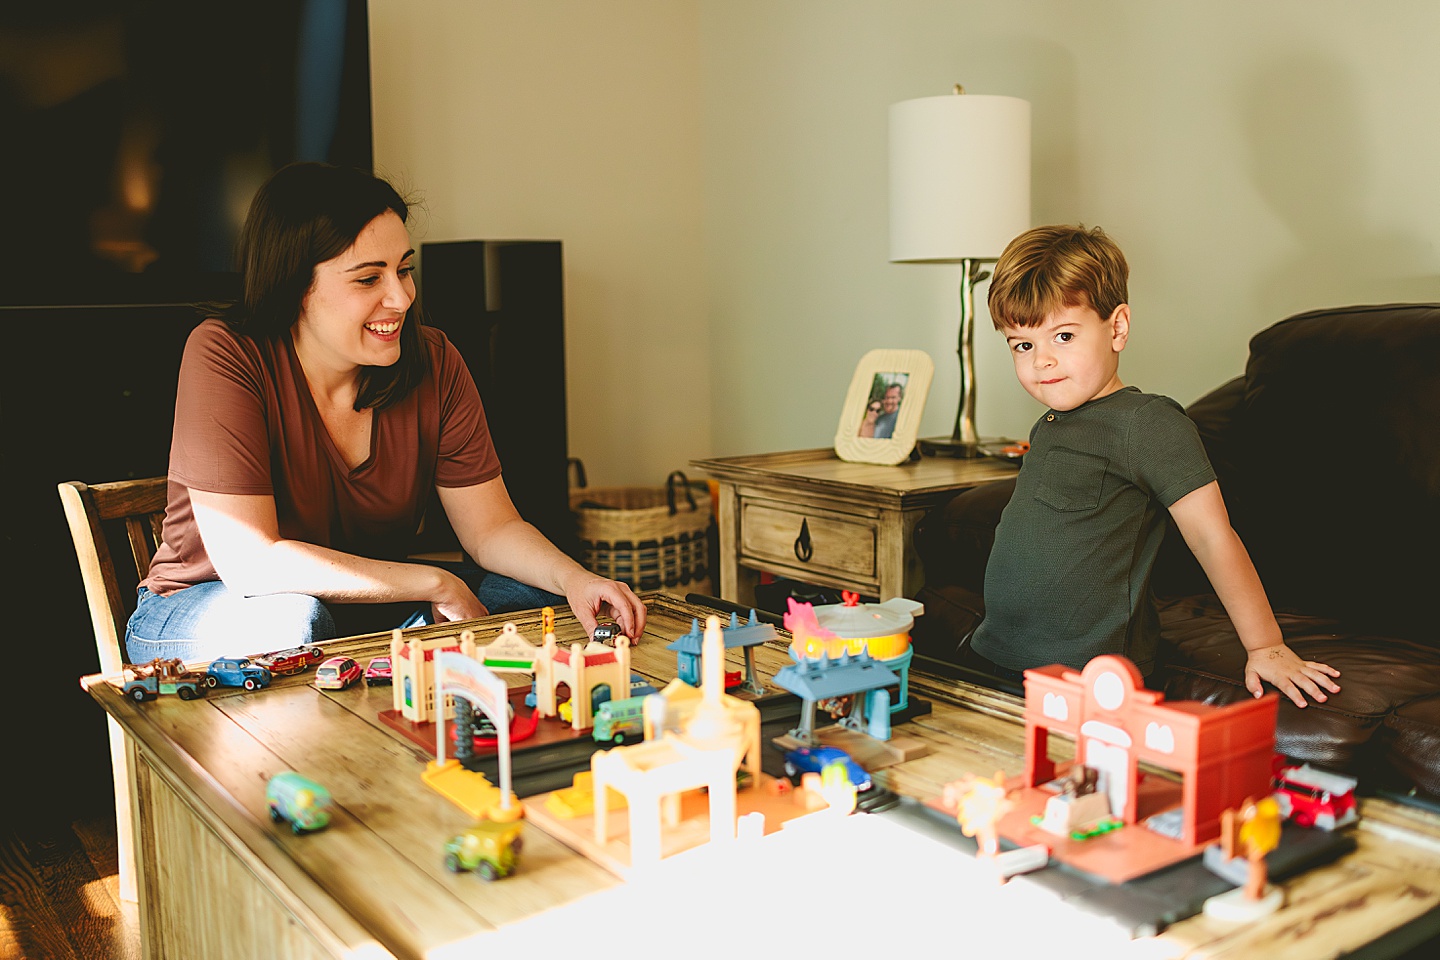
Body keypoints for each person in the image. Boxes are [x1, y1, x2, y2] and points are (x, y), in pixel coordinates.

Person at [125, 162, 646, 665]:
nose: (401, 298)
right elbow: (250, 562)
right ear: (296, 285)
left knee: (532, 601)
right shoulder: (225, 353)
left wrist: (578, 579)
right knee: (295, 624)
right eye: (368, 279)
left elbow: (491, 529)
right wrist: (434, 582)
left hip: (357, 608)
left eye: (404, 270)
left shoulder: (434, 360)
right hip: (203, 608)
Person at [968, 224, 1339, 709]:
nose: (1042, 361)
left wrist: (1265, 645)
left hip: (1092, 673)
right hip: (1004, 654)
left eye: (1062, 335)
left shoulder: (1147, 424)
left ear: (1117, 327)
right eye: (1023, 345)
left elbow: (1212, 536)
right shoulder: (1051, 425)